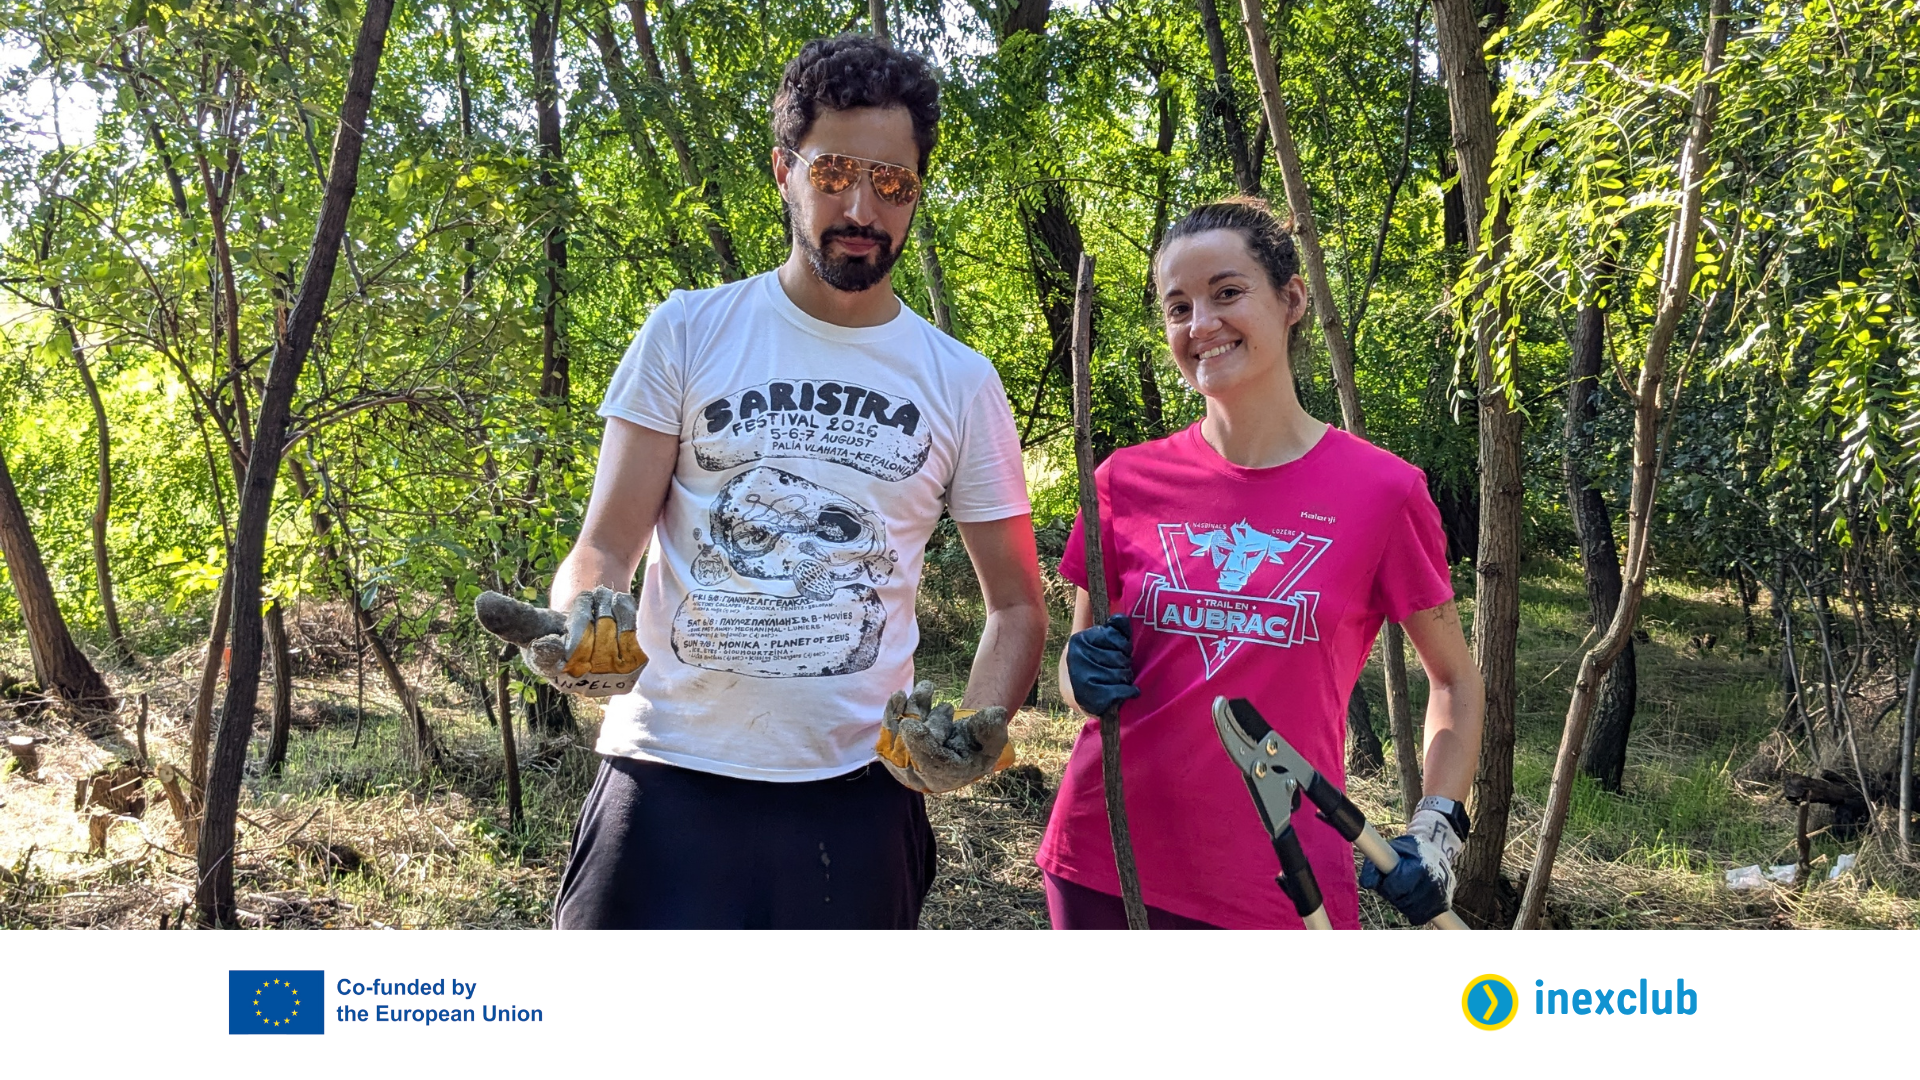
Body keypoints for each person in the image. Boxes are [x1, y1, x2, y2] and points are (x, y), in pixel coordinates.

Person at [529, 36, 1046, 929]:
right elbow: (605, 546)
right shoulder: (689, 333)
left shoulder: (960, 380)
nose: (861, 207)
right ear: (784, 170)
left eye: (894, 183)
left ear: (917, 191)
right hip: (664, 772)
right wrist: (583, 620)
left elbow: (1017, 607)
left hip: (858, 794)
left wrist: (976, 726)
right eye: (834, 171)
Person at [1041, 197, 1484, 930]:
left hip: (1285, 882)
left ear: (1292, 300)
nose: (1200, 325)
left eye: (1226, 293)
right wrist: (1076, 674)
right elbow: (1078, 678)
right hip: (1105, 862)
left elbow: (1455, 680)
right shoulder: (1122, 481)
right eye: (1177, 306)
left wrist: (1437, 830)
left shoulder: (1383, 492)